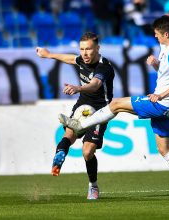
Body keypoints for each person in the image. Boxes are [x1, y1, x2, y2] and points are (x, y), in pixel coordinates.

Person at [58, 15, 169, 203]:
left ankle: (81, 126)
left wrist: (160, 95)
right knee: (164, 149)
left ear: (166, 34)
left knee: (116, 104)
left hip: (162, 103)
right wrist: (156, 65)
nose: (155, 37)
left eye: (158, 34)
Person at [36, 32, 115, 200]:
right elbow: (71, 59)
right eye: (82, 49)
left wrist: (78, 88)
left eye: (88, 49)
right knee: (69, 135)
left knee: (87, 152)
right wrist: (48, 55)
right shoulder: (81, 59)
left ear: (97, 48)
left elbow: (95, 85)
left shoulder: (104, 67)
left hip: (100, 111)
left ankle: (93, 186)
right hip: (82, 107)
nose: (84, 54)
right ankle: (60, 155)